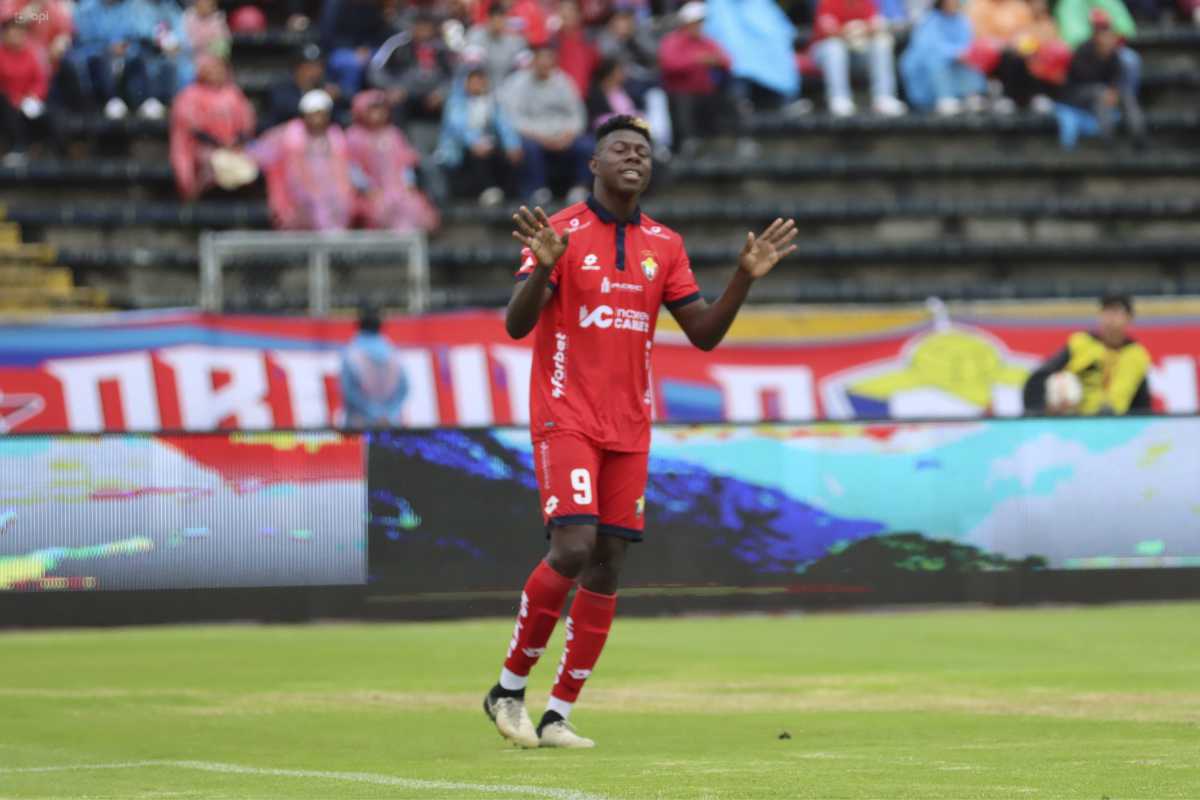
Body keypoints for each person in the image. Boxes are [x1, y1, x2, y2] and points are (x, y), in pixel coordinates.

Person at [482, 115, 798, 749]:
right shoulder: (560, 232)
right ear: (594, 164)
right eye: (621, 149)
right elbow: (518, 326)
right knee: (572, 546)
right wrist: (544, 269)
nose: (634, 158)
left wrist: (743, 278)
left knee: (608, 563)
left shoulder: (665, 244)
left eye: (644, 153)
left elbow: (703, 334)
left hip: (630, 424)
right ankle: (509, 688)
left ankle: (559, 711)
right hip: (565, 413)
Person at [1022, 294, 1151, 416]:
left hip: (1117, 426)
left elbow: (1141, 400)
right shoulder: (1081, 343)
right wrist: (1038, 412)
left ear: (1129, 318)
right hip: (1079, 423)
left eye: (1116, 313)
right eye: (1106, 312)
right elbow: (1039, 377)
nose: (1110, 319)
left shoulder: (1137, 355)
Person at [250, 89, 356, 231]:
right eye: (312, 114)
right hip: (296, 197)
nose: (317, 119)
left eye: (321, 114)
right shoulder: (289, 134)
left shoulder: (335, 136)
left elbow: (344, 171)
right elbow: (260, 154)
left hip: (331, 195)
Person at [499, 44, 590, 204]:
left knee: (588, 146)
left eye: (548, 60)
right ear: (533, 61)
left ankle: (580, 188)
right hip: (533, 135)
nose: (544, 65)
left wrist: (568, 134)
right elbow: (514, 118)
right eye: (540, 60)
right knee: (528, 148)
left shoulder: (564, 81)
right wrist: (541, 138)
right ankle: (538, 190)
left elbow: (577, 114)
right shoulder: (517, 83)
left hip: (563, 135)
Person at [346, 89, 439, 233]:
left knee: (409, 209)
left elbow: (404, 163)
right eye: (373, 110)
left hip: (397, 188)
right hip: (370, 192)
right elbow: (352, 167)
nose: (378, 114)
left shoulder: (393, 133)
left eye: (381, 109)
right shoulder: (354, 136)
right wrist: (366, 188)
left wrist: (408, 182)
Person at [169, 54, 255, 199]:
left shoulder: (232, 92)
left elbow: (246, 121)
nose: (216, 72)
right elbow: (191, 127)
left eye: (219, 69)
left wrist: (237, 140)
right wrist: (219, 144)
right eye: (211, 69)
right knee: (214, 162)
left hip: (234, 145)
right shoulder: (189, 95)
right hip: (201, 147)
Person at [658, 2, 740, 149]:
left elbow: (727, 61)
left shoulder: (706, 41)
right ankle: (687, 144)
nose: (699, 26)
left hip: (705, 93)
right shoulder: (672, 41)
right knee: (684, 106)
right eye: (695, 22)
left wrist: (715, 61)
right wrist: (697, 60)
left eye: (700, 22)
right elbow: (669, 65)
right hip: (681, 93)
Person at [436, 65, 523, 205]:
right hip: (460, 147)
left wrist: (512, 144)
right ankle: (486, 190)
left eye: (481, 82)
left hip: (488, 143)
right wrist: (474, 142)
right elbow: (457, 127)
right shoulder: (455, 102)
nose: (478, 85)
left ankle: (508, 194)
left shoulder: (492, 102)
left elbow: (504, 124)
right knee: (477, 155)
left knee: (507, 155)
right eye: (474, 82)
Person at [1061, 12, 1146, 147]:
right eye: (1104, 35)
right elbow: (1080, 79)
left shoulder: (1114, 54)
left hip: (1106, 92)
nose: (1108, 39)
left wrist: (1114, 90)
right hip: (1078, 94)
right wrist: (1107, 90)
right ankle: (1108, 141)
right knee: (1101, 94)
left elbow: (1118, 76)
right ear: (1096, 37)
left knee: (1126, 94)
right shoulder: (1083, 51)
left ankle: (1139, 138)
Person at [809, 0, 907, 117]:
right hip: (823, 56)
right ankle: (839, 99)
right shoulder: (828, 2)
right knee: (834, 47)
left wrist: (862, 29)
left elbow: (877, 26)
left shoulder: (866, 3)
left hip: (856, 55)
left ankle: (884, 98)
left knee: (881, 42)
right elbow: (828, 31)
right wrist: (850, 30)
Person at [900, 0, 987, 115]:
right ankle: (944, 97)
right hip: (924, 68)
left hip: (956, 64)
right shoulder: (929, 20)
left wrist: (962, 54)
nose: (953, 4)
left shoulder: (962, 21)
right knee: (937, 60)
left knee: (970, 62)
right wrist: (954, 53)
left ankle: (970, 95)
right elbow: (928, 48)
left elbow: (967, 44)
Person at [368, 12, 455, 125]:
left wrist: (441, 93)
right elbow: (375, 69)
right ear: (413, 27)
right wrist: (392, 87)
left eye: (427, 28)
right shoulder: (398, 43)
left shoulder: (442, 47)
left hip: (433, 92)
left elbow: (453, 76)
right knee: (395, 103)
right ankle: (398, 140)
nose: (424, 31)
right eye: (420, 27)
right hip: (404, 92)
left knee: (453, 104)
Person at [340, 306, 408, 428]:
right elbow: (404, 389)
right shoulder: (392, 352)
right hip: (390, 425)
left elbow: (349, 391)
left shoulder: (351, 353)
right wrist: (388, 415)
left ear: (358, 325)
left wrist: (374, 414)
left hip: (359, 426)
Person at [0, 14, 49, 165]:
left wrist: (33, 96)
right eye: (12, 31)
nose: (16, 35)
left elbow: (40, 80)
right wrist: (15, 100)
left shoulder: (31, 55)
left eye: (20, 31)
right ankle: (17, 147)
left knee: (48, 114)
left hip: (27, 102)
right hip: (5, 103)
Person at [263, 43, 346, 129]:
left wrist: (336, 99)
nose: (315, 72)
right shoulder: (281, 88)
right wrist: (324, 100)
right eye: (309, 67)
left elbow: (339, 119)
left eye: (318, 66)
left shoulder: (325, 88)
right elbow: (286, 109)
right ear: (297, 69)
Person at [463, 1, 527, 91]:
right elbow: (472, 67)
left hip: (507, 89)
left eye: (501, 19)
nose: (498, 24)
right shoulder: (475, 35)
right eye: (495, 19)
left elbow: (524, 70)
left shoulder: (515, 40)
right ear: (488, 19)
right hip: (481, 89)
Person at [553, 0, 598, 97]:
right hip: (558, 95)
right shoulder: (553, 40)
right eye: (562, 9)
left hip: (583, 96)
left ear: (579, 14)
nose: (566, 13)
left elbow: (594, 66)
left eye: (570, 10)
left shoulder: (588, 40)